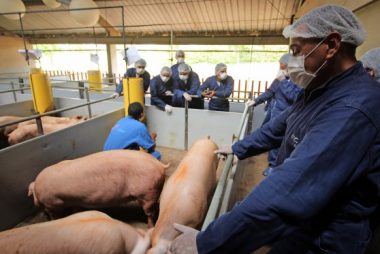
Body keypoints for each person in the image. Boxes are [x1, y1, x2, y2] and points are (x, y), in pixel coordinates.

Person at [169, 5, 380, 254]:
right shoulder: (323, 89)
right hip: (306, 220)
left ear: (331, 46)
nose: (291, 61)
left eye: (297, 50)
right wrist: (239, 147)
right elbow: (280, 126)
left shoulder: (353, 108)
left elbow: (292, 187)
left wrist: (207, 242)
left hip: (326, 238)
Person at [246, 53, 302, 175]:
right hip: (273, 111)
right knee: (269, 135)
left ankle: (274, 167)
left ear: (291, 67)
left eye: (283, 67)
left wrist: (283, 82)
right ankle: (272, 163)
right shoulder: (280, 79)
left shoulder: (299, 79)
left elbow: (295, 97)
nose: (281, 70)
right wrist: (255, 101)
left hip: (286, 115)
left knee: (280, 140)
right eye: (280, 66)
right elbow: (270, 92)